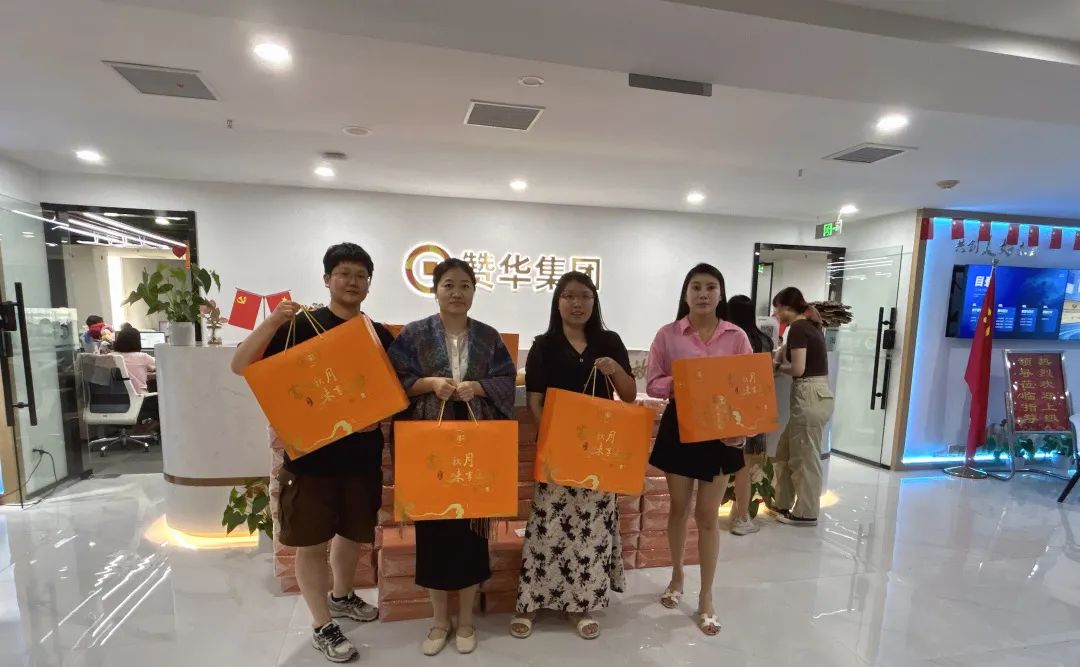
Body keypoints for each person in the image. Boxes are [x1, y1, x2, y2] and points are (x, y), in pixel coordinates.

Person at [230, 242, 393, 663]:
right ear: (327, 279)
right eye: (344, 274)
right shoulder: (299, 326)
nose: (353, 282)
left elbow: (393, 391)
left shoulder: (377, 334)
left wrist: (383, 411)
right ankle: (322, 625)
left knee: (353, 534)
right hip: (311, 459)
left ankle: (342, 596)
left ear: (369, 284)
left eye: (361, 276)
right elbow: (240, 364)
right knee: (311, 542)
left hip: (361, 457)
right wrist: (271, 321)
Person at [387, 258, 516, 657]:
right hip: (430, 446)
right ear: (435, 290)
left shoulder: (489, 337)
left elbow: (506, 380)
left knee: (472, 533)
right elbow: (392, 381)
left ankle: (466, 621)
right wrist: (429, 383)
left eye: (464, 285)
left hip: (475, 445)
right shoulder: (414, 334)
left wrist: (478, 387)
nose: (457, 293)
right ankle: (439, 620)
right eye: (448, 285)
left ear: (474, 292)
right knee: (433, 533)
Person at [509, 272, 637, 641]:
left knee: (590, 533)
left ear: (594, 302)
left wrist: (615, 369)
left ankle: (580, 604)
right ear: (558, 302)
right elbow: (535, 401)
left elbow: (629, 395)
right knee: (546, 529)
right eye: (569, 296)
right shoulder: (544, 345)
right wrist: (556, 445)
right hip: (558, 455)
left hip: (599, 457)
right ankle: (530, 602)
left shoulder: (609, 342)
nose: (577, 303)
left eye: (585, 296)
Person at [645, 263, 752, 637]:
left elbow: (748, 386)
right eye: (696, 287)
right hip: (681, 425)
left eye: (710, 287)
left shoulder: (736, 336)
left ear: (720, 294)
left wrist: (742, 430)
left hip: (721, 429)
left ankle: (706, 596)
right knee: (679, 507)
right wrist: (684, 382)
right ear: (685, 293)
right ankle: (677, 576)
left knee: (708, 515)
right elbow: (653, 382)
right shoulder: (668, 334)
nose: (703, 294)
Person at [767, 287, 834, 527]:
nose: (776, 314)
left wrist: (776, 367)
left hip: (808, 395)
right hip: (815, 396)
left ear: (787, 308)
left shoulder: (797, 329)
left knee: (805, 458)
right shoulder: (810, 326)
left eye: (778, 309)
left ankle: (806, 513)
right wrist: (779, 356)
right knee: (785, 452)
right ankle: (782, 502)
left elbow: (798, 369)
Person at [724, 295, 775, 536]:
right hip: (753, 407)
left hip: (726, 407)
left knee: (720, 465)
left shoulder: (727, 339)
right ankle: (741, 517)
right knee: (744, 467)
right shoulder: (765, 340)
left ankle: (708, 515)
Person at [111, 325, 155, 394]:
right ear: (137, 341)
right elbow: (160, 367)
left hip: (114, 397)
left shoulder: (109, 357)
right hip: (139, 396)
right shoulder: (143, 357)